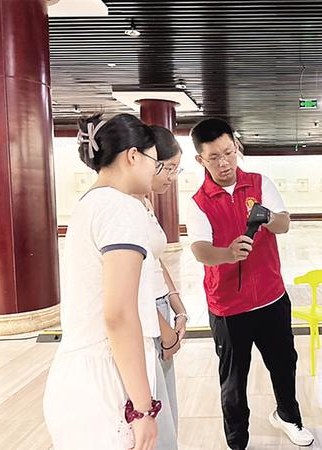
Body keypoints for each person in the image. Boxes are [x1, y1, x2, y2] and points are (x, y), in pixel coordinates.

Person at [186, 118, 314, 450]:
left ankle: (288, 416)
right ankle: (237, 441)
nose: (224, 162)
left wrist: (267, 216)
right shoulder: (198, 202)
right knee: (233, 381)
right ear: (200, 159)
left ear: (237, 147)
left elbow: (284, 224)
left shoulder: (260, 183)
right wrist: (227, 254)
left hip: (272, 298)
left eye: (229, 152)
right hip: (228, 307)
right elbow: (199, 250)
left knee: (284, 365)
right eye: (214, 157)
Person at [43, 113, 162, 450]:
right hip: (106, 383)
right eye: (154, 161)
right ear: (133, 156)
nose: (155, 171)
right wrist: (143, 409)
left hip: (78, 376)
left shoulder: (91, 203)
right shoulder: (121, 208)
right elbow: (119, 315)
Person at [134, 125, 189, 449]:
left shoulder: (145, 202)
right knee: (154, 412)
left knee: (167, 405)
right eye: (168, 168)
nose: (171, 177)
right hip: (146, 315)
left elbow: (154, 261)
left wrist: (176, 303)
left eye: (175, 169)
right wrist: (165, 330)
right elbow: (131, 286)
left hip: (159, 306)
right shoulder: (123, 209)